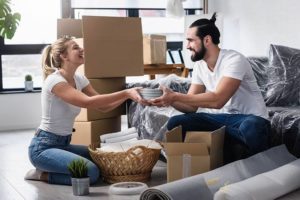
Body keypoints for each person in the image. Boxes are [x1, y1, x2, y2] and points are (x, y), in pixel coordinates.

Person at [150, 13, 271, 162]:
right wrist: (168, 100)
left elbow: (218, 100)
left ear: (207, 40)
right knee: (176, 122)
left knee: (252, 127)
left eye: (191, 41)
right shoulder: (200, 66)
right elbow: (191, 107)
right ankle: (227, 141)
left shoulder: (234, 60)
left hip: (249, 118)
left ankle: (238, 150)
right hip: (221, 119)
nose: (187, 46)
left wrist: (175, 96)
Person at [25, 36, 145, 185]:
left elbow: (103, 107)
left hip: (64, 144)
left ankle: (55, 169)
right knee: (91, 173)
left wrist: (131, 97)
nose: (82, 49)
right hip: (43, 148)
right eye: (75, 47)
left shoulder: (79, 79)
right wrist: (126, 93)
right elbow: (87, 102)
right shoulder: (55, 81)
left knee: (105, 160)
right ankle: (42, 175)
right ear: (64, 56)